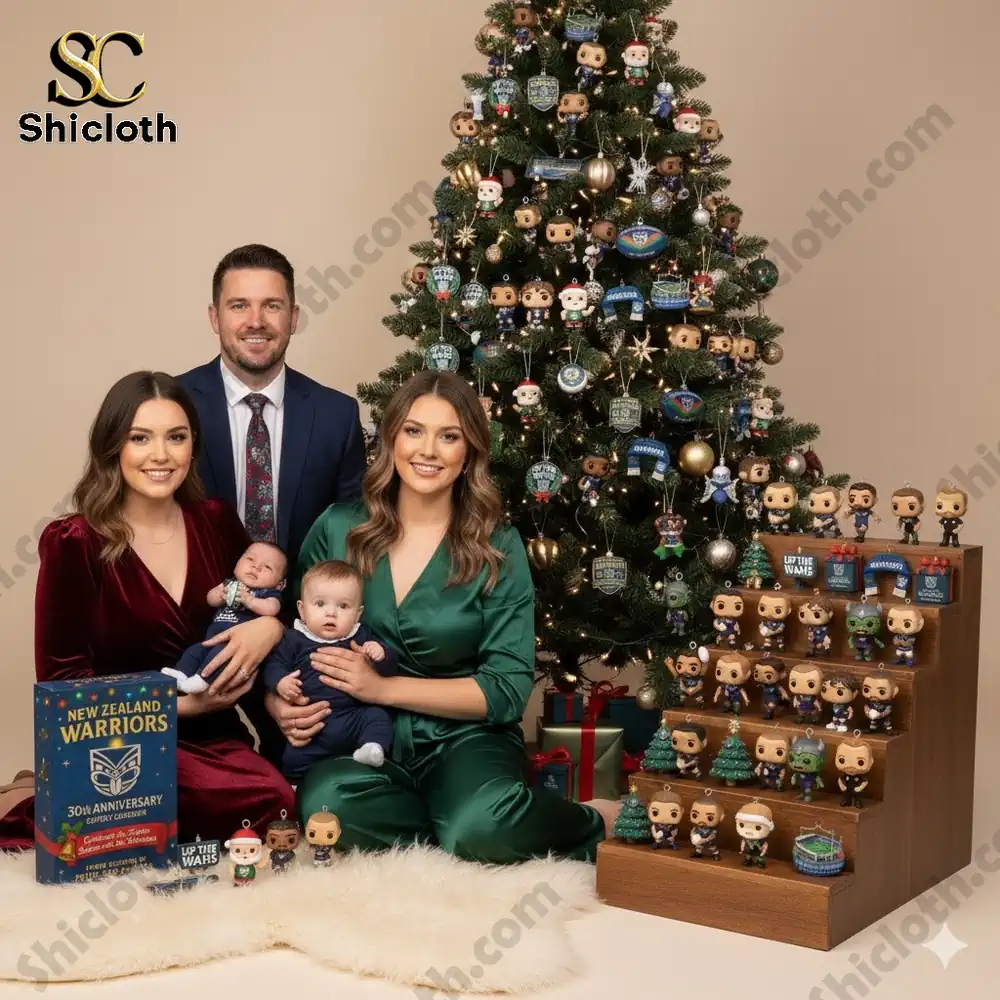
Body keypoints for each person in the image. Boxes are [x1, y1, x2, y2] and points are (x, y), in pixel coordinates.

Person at [269, 370, 618, 863]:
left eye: (448, 435)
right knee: (330, 808)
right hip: (359, 733)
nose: (428, 450)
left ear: (469, 450)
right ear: (391, 437)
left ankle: (588, 818)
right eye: (414, 430)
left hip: (465, 737)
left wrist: (383, 688)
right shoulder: (339, 526)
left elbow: (506, 689)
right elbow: (293, 633)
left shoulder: (499, 546)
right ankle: (454, 826)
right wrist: (274, 701)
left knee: (484, 825)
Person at [0, 372, 295, 850]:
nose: (161, 455)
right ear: (113, 446)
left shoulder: (216, 522)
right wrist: (184, 705)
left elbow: (267, 610)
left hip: (214, 737)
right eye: (141, 438)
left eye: (176, 437)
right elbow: (64, 680)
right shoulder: (75, 541)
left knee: (272, 800)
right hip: (113, 740)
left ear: (192, 446)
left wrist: (270, 630)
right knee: (164, 806)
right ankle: (44, 797)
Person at [176, 244, 366, 572]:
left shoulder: (337, 416)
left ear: (293, 318)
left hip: (308, 617)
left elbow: (352, 538)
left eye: (272, 306)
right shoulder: (171, 405)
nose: (256, 322)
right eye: (239, 306)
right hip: (193, 614)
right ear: (214, 317)